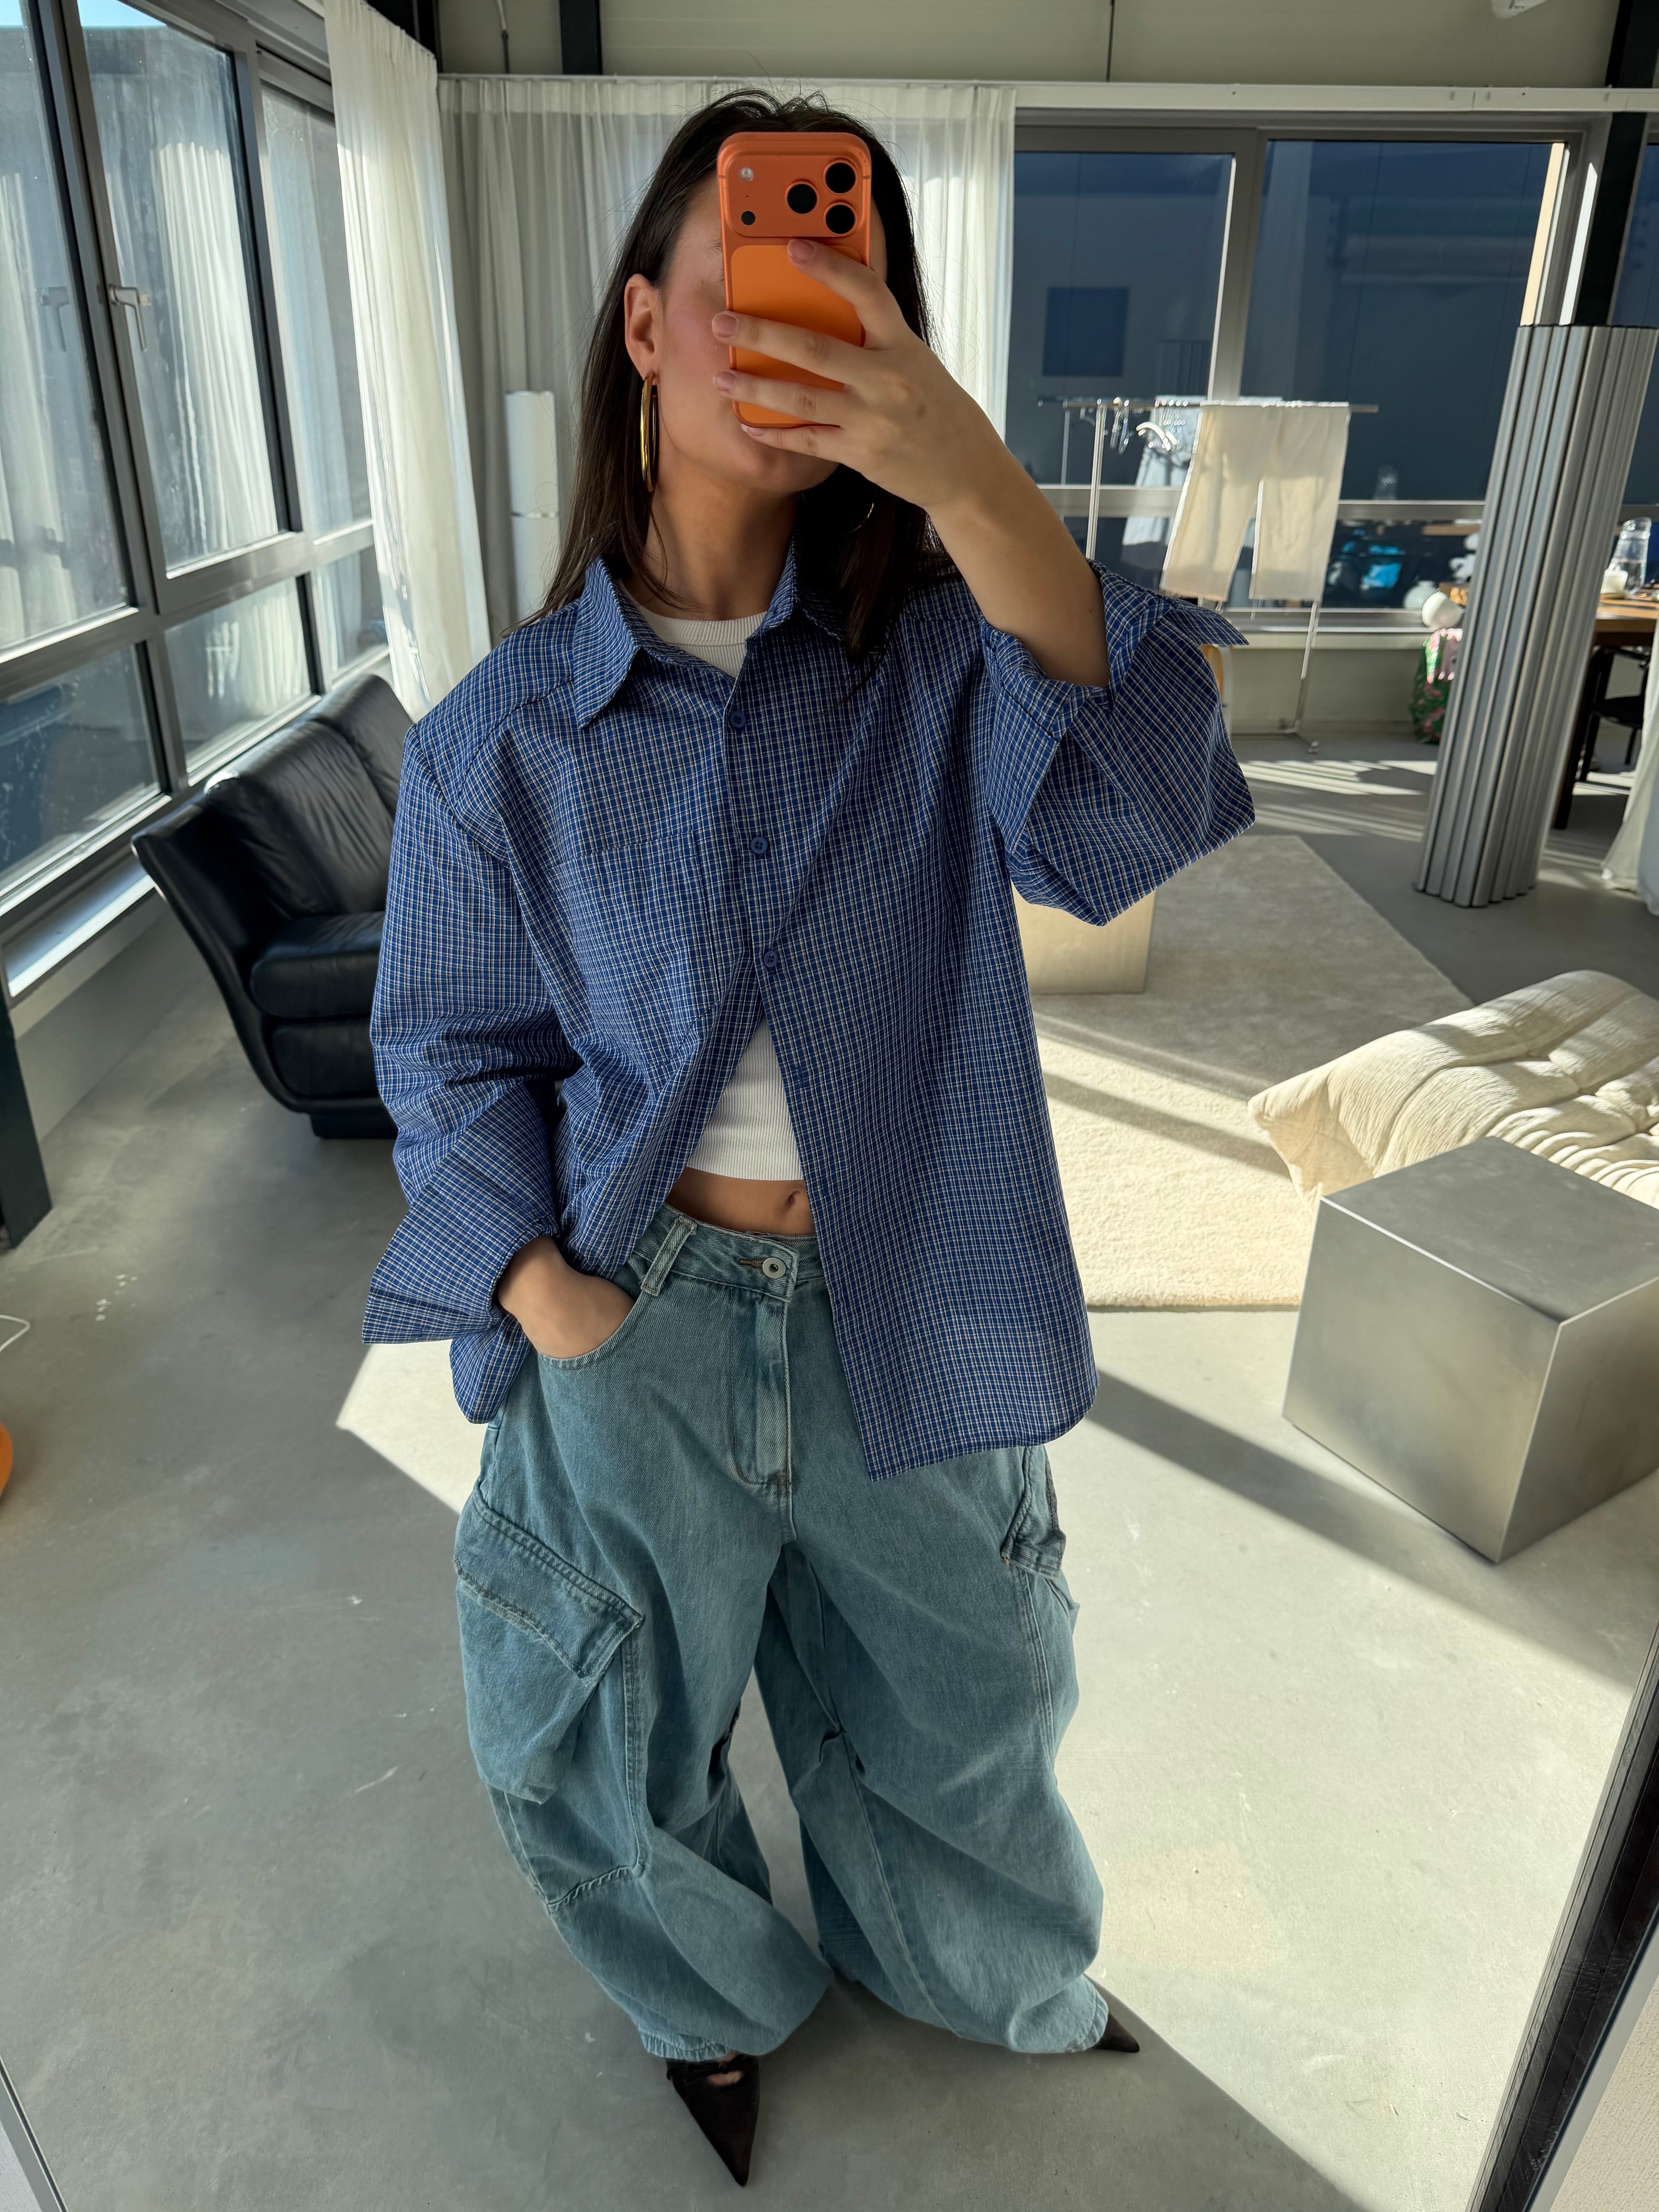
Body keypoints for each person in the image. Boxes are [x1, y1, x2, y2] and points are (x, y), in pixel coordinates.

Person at [365, 91, 1251, 2188]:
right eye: (748, 282)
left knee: (971, 1695)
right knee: (598, 1722)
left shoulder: (944, 658)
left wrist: (969, 476)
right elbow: (448, 1047)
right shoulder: (509, 732)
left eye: (845, 296)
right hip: (637, 1308)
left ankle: (979, 1974)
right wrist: (536, 1286)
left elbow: (1127, 814)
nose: (791, 332)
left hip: (909, 1288)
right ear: (643, 330)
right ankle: (707, 2000)